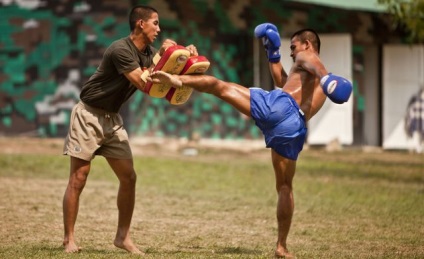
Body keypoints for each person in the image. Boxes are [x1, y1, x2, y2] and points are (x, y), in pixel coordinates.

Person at [148, 24, 352, 258]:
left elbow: (311, 62)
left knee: (220, 87)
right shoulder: (315, 81)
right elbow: (283, 81)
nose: (293, 53)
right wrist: (272, 54)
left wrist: (326, 78)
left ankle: (178, 80)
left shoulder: (309, 57)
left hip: (279, 106)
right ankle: (281, 246)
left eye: (293, 47)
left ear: (307, 44)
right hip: (293, 125)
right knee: (285, 187)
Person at [62, 5, 198, 254]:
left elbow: (165, 72)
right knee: (78, 178)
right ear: (140, 24)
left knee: (129, 177)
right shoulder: (120, 49)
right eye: (155, 23)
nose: (159, 28)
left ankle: (122, 238)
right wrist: (167, 56)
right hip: (88, 115)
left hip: (112, 120)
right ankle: (69, 239)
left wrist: (183, 55)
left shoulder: (148, 53)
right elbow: (143, 82)